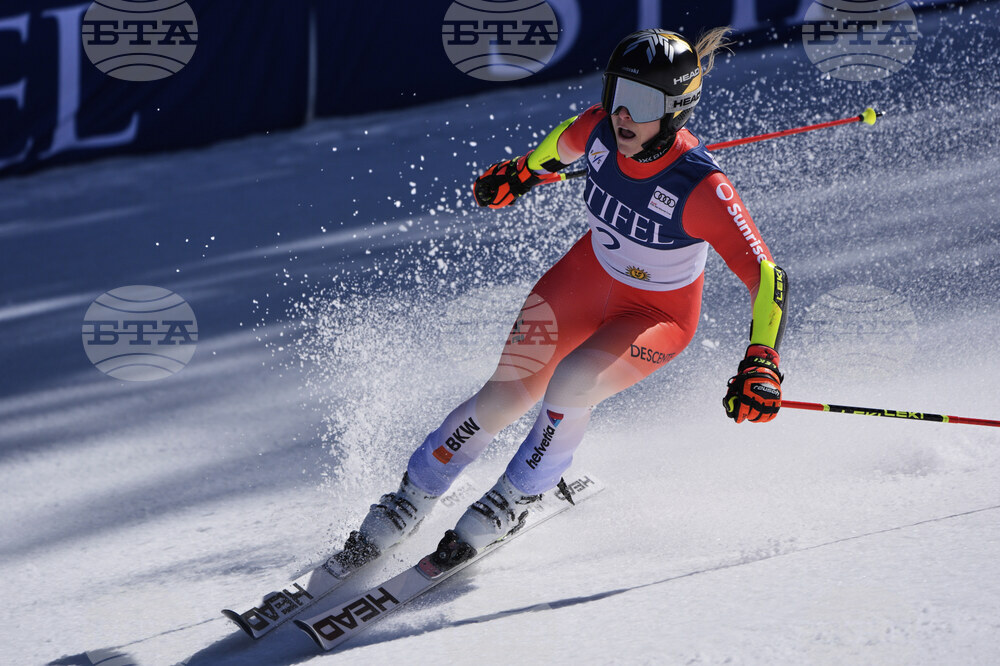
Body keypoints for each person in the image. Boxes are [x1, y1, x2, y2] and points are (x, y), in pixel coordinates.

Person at [335, 27, 788, 569]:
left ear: (675, 111)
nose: (623, 113)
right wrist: (521, 172)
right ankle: (412, 495)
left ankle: (515, 497)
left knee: (571, 387)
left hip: (656, 315)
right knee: (504, 395)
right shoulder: (599, 131)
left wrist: (762, 360)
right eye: (617, 92)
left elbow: (769, 277)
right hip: (585, 280)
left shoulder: (703, 188)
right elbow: (561, 144)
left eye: (642, 103)